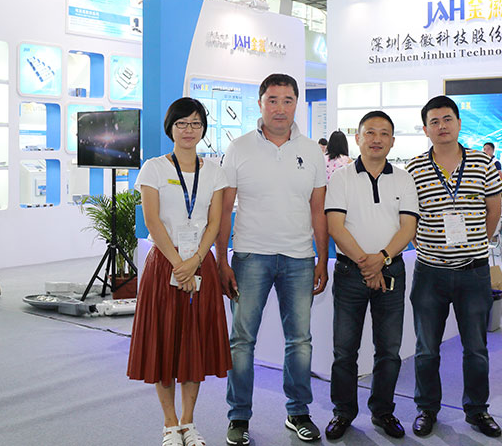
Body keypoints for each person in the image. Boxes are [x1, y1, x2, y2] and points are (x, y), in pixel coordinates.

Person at [216, 73, 328, 445]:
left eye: (288, 100)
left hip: (299, 258)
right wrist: (221, 260)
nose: (280, 108)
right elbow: (224, 209)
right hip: (250, 256)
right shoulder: (239, 148)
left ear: (296, 103)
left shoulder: (312, 150)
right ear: (260, 103)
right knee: (241, 341)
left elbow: (318, 210)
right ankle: (238, 417)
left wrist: (321, 259)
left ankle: (298, 412)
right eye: (273, 100)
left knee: (300, 341)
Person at [127, 97, 231, 446]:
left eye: (196, 123)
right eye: (182, 123)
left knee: (194, 343)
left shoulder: (214, 170)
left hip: (200, 265)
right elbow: (152, 221)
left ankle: (188, 422)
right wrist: (178, 264)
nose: (189, 130)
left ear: (203, 129)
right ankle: (169, 424)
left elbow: (215, 222)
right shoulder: (154, 168)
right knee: (164, 343)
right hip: (165, 264)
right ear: (170, 128)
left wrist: (195, 260)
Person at [405, 96, 502, 439]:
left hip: (473, 271)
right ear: (425, 129)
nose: (442, 126)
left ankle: (477, 410)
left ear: (459, 123)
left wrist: (475, 244)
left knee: (475, 347)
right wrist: (425, 245)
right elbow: (409, 217)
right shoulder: (414, 169)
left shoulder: (483, 162)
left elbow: (494, 209)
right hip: (429, 272)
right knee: (426, 348)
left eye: (447, 119)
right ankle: (426, 409)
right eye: (434, 121)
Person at [324, 111, 419, 440]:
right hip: (350, 272)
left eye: (384, 133)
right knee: (344, 351)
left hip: (391, 271)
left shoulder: (403, 179)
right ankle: (343, 412)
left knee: (389, 350)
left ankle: (383, 411)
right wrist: (368, 264)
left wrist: (382, 259)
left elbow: (408, 227)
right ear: (358, 138)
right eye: (370, 132)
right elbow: (335, 226)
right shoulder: (342, 177)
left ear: (392, 141)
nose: (376, 139)